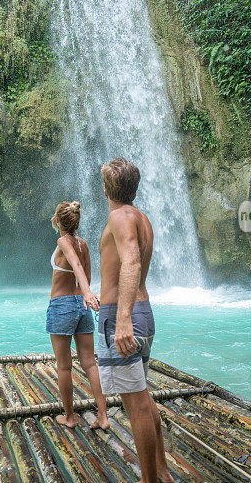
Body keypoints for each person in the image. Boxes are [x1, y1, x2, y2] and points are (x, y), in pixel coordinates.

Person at [96, 158, 173, 483]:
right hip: (143, 311)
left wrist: (123, 319)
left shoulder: (119, 217)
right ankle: (162, 472)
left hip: (123, 316)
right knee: (142, 395)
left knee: (136, 403)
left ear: (107, 188)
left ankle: (149, 480)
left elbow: (131, 261)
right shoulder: (142, 218)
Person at [46, 201, 110, 430]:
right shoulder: (83, 244)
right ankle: (103, 417)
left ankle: (70, 418)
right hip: (81, 305)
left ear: (58, 220)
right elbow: (87, 273)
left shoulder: (63, 241)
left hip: (62, 304)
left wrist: (87, 293)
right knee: (90, 363)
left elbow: (75, 265)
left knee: (64, 367)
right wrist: (85, 294)